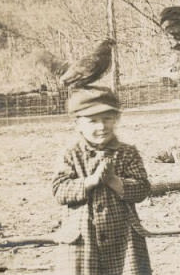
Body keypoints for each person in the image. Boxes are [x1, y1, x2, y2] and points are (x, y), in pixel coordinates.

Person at [52, 86, 152, 275]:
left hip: (124, 236)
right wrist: (90, 181)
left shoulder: (127, 152)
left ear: (116, 119)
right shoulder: (70, 154)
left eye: (107, 119)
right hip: (81, 238)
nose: (101, 126)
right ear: (78, 124)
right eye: (92, 121)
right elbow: (59, 190)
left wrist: (115, 181)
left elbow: (142, 188)